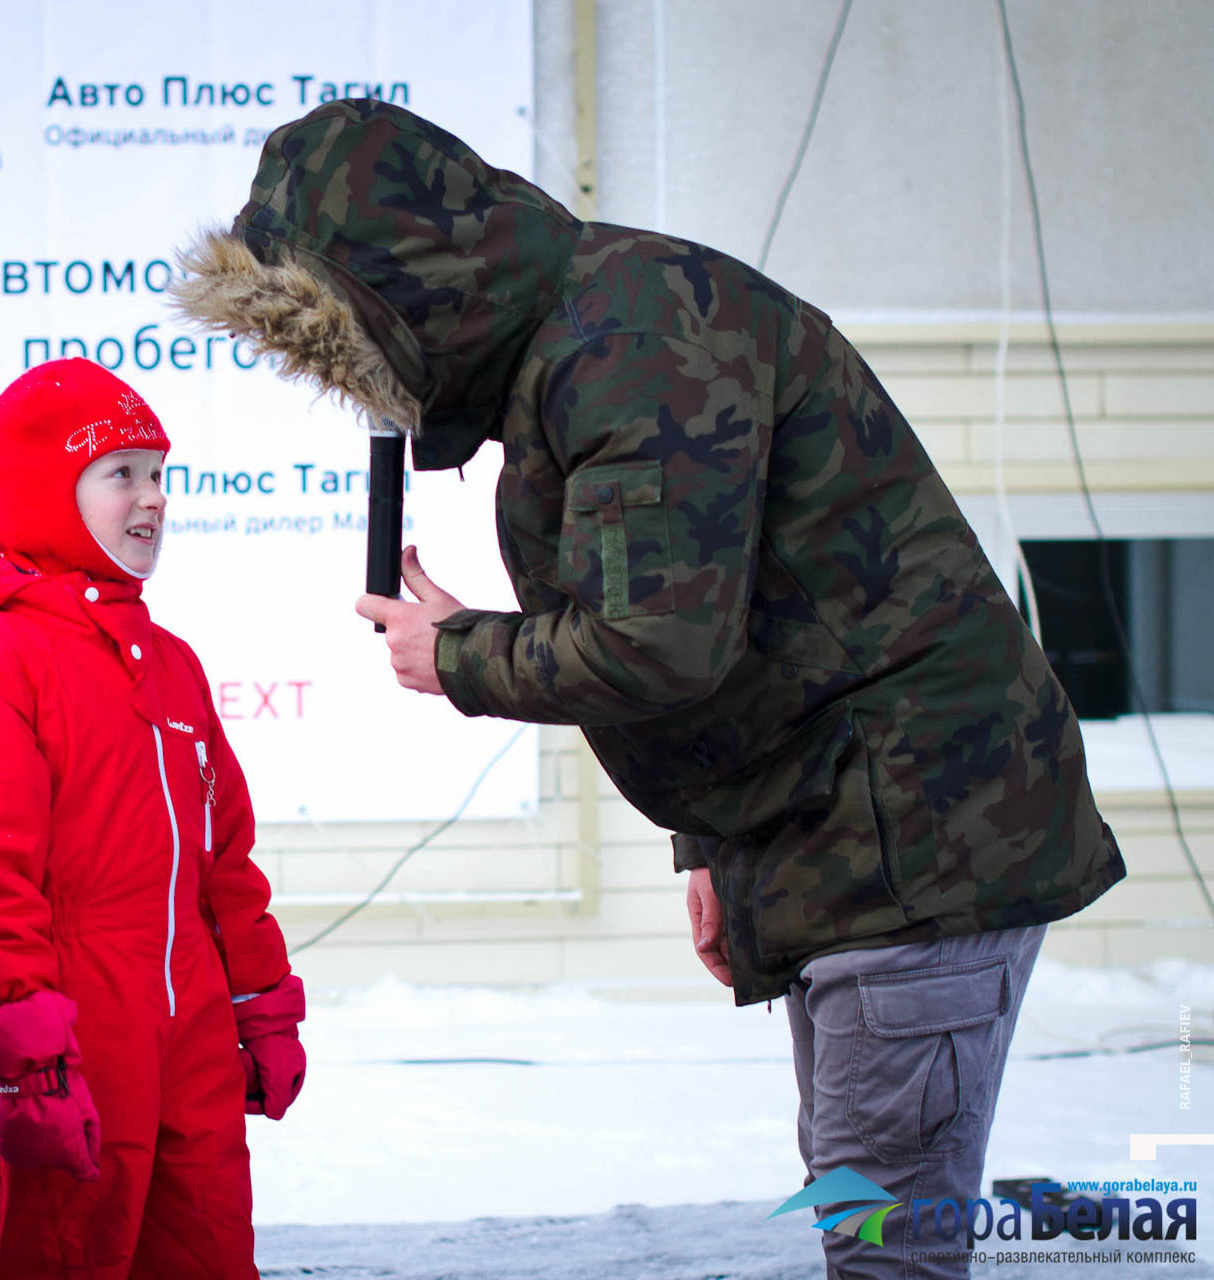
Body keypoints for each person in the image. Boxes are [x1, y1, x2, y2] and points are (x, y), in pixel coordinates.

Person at [170, 100, 1126, 1278]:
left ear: (408, 293)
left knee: (889, 1236)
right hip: (846, 828)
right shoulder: (582, 340)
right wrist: (709, 845)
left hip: (922, 832)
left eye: (352, 345)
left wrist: (458, 654)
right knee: (864, 1203)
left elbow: (660, 644)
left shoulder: (634, 347)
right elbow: (723, 620)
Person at [0, 358, 305, 1279]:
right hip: (73, 1034)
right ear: (44, 490)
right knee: (70, 1259)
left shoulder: (171, 663)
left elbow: (225, 865)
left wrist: (258, 1003)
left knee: (208, 1255)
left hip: (192, 1027)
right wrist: (29, 1055)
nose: (153, 497)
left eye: (159, 473)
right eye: (122, 474)